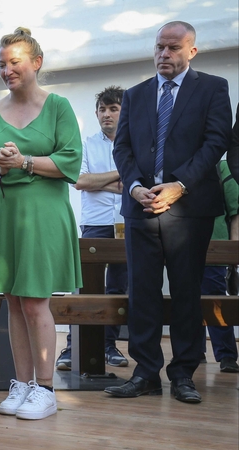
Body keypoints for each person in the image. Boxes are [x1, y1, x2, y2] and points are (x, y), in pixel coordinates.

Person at [107, 21, 231, 404]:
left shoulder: (212, 88)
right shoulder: (136, 94)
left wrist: (179, 185)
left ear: (191, 51)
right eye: (160, 47)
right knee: (141, 293)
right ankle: (145, 373)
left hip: (189, 209)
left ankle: (183, 375)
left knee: (185, 293)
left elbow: (215, 143)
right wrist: (135, 187)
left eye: (173, 48)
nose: (164, 54)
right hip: (141, 207)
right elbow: (122, 148)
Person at [0, 27, 82, 420]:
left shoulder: (58, 107)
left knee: (34, 302)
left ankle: (46, 388)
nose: (6, 70)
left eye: (14, 62)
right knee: (12, 303)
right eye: (1, 64)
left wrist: (26, 162)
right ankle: (21, 383)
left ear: (36, 62)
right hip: (2, 215)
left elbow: (70, 161)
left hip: (41, 217)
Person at [57, 86, 129, 370]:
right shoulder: (86, 143)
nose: (106, 114)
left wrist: (102, 181)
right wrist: (120, 177)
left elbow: (135, 182)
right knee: (86, 288)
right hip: (95, 223)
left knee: (117, 288)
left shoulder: (135, 143)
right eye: (102, 109)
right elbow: (80, 181)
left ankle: (108, 346)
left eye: (113, 109)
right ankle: (71, 348)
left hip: (126, 223)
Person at [200, 160, 239, 373]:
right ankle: (194, 352)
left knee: (216, 301)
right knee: (187, 299)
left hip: (216, 251)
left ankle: (226, 355)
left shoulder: (223, 167)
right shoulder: (179, 165)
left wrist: (233, 251)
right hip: (185, 249)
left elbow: (236, 211)